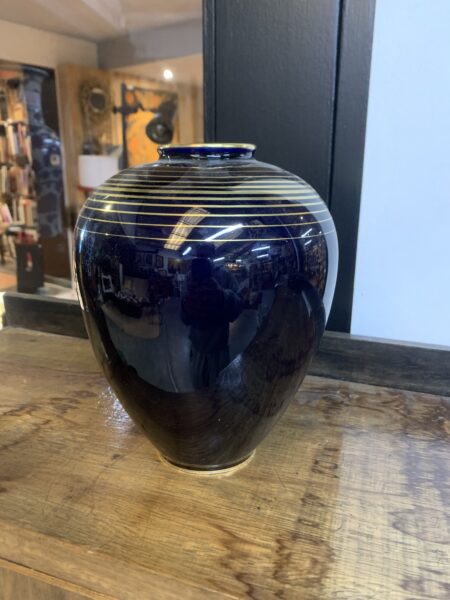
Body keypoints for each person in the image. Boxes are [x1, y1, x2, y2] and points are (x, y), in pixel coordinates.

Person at [181, 243, 242, 388]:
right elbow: (184, 316)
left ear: (213, 256)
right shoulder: (190, 276)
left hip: (218, 345)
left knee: (219, 389)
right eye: (200, 256)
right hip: (198, 345)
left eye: (206, 256)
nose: (203, 259)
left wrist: (222, 295)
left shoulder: (225, 275)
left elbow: (238, 306)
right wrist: (188, 304)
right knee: (199, 387)